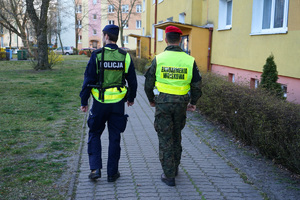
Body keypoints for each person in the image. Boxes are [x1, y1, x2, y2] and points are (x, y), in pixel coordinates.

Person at [144, 26, 202, 186]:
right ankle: (174, 167)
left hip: (162, 104)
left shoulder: (159, 58)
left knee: (165, 137)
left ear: (166, 39)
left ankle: (169, 175)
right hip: (181, 104)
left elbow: (148, 84)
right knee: (176, 135)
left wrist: (151, 99)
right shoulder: (190, 60)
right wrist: (193, 103)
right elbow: (197, 85)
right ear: (180, 40)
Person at [80, 24, 137, 182]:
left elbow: (88, 79)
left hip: (99, 102)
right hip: (118, 103)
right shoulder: (124, 56)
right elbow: (132, 80)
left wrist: (84, 100)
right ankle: (112, 173)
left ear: (106, 37)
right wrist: (131, 98)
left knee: (94, 133)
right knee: (115, 137)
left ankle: (95, 169)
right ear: (116, 38)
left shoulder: (97, 55)